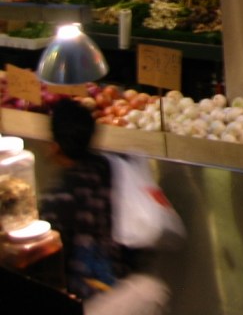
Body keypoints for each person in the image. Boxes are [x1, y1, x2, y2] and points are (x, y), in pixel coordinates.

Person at [39, 99, 170, 313]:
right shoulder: (114, 168)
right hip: (136, 291)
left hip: (96, 303)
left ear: (55, 146)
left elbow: (50, 266)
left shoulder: (58, 198)